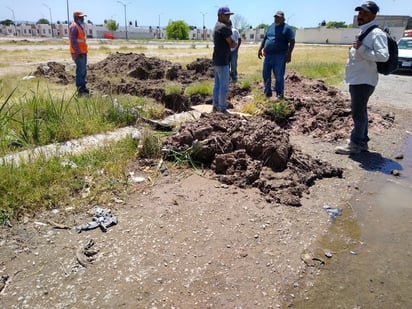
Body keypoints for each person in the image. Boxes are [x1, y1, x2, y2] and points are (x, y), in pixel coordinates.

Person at [335, 1, 389, 155]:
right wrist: (355, 49)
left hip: (364, 79)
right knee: (360, 111)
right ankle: (362, 141)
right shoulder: (365, 31)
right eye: (360, 13)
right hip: (359, 78)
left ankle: (356, 144)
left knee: (358, 113)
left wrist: (361, 48)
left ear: (373, 15)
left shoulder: (376, 33)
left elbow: (383, 56)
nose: (361, 16)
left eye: (365, 13)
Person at [258, 11, 295, 99]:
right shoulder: (271, 27)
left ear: (283, 18)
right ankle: (267, 92)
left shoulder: (287, 28)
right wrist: (260, 49)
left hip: (279, 56)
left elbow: (292, 42)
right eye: (275, 17)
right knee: (265, 74)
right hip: (268, 55)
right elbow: (265, 39)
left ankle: (279, 94)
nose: (276, 19)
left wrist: (289, 54)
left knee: (278, 75)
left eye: (278, 17)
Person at [212, 7, 238, 113]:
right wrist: (234, 42)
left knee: (217, 85)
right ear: (220, 15)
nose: (228, 17)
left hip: (217, 59)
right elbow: (232, 43)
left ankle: (215, 106)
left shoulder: (217, 26)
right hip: (223, 61)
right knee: (224, 86)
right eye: (226, 15)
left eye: (229, 15)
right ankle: (222, 108)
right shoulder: (223, 27)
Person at [69, 10, 89, 96]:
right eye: (81, 17)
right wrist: (78, 52)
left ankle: (83, 87)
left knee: (83, 70)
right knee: (80, 71)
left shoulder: (79, 26)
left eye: (83, 17)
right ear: (76, 17)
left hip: (83, 52)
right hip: (78, 53)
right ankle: (80, 89)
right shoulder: (74, 26)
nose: (83, 18)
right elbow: (73, 41)